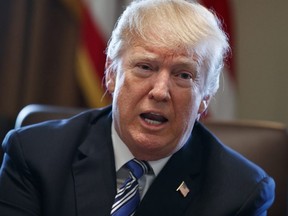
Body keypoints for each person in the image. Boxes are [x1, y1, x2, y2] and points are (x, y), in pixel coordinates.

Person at [0, 0, 275, 215]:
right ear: (111, 73)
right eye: (145, 67)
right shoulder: (35, 155)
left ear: (205, 97)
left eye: (183, 75)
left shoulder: (241, 191)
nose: (160, 91)